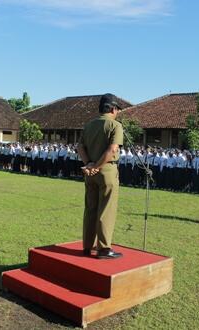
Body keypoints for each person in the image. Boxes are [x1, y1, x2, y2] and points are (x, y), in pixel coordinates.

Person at [77, 94, 124, 259]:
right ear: (112, 108)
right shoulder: (115, 125)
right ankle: (104, 248)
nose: (117, 112)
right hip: (106, 171)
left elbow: (80, 147)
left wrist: (89, 164)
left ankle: (87, 246)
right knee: (106, 209)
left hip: (90, 172)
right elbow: (112, 150)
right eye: (117, 109)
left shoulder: (89, 125)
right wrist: (97, 166)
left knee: (90, 209)